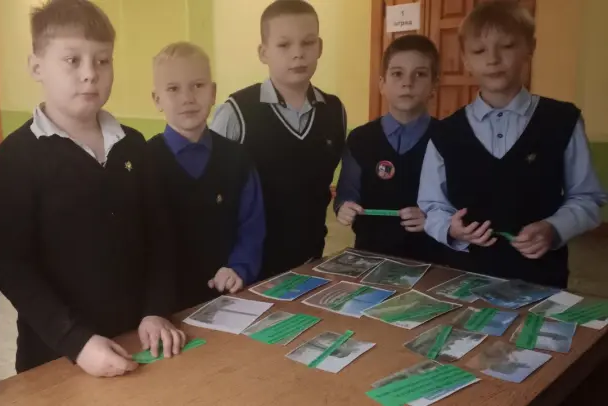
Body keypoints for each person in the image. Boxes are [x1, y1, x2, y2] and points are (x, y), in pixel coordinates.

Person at [0, 0, 184, 377]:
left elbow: (161, 237)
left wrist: (156, 310)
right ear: (37, 67)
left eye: (102, 60)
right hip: (56, 355)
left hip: (140, 340)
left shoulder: (134, 145)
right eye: (72, 60)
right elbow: (13, 267)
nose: (90, 74)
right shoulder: (16, 158)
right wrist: (75, 341)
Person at [418, 1, 605, 287]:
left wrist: (553, 228)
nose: (493, 59)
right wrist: (450, 229)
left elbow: (587, 198)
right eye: (479, 51)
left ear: (530, 47)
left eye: (506, 46)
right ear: (465, 60)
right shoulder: (445, 133)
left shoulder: (562, 121)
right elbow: (432, 205)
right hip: (464, 280)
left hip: (541, 280)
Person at [210, 0, 347, 279]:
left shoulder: (334, 111)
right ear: (264, 53)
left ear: (320, 47)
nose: (298, 54)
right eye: (284, 45)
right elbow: (214, 193)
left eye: (308, 42)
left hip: (310, 261)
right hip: (247, 270)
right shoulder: (237, 112)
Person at [146, 42, 266, 312]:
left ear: (213, 93)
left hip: (229, 297)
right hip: (164, 308)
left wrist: (239, 267)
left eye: (197, 85)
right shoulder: (143, 162)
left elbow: (252, 226)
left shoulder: (237, 159)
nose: (187, 98)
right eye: (173, 89)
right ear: (157, 99)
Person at [335, 34, 461, 266]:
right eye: (397, 74)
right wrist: (344, 207)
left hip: (434, 262)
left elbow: (459, 204)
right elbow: (347, 192)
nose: (407, 83)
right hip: (370, 258)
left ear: (434, 85)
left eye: (419, 74)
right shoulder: (360, 139)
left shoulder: (450, 138)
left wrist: (434, 219)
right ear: (382, 84)